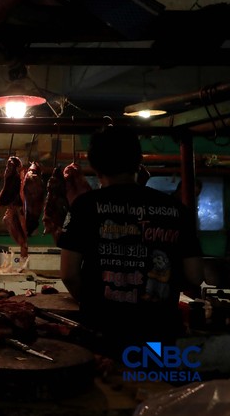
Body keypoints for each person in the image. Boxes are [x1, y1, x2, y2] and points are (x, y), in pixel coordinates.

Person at [57, 126, 203, 356]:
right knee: (154, 387)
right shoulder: (176, 210)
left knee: (109, 386)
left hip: (101, 332)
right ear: (138, 162)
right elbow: (195, 276)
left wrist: (94, 306)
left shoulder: (85, 206)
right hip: (158, 335)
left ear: (94, 165)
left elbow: (69, 274)